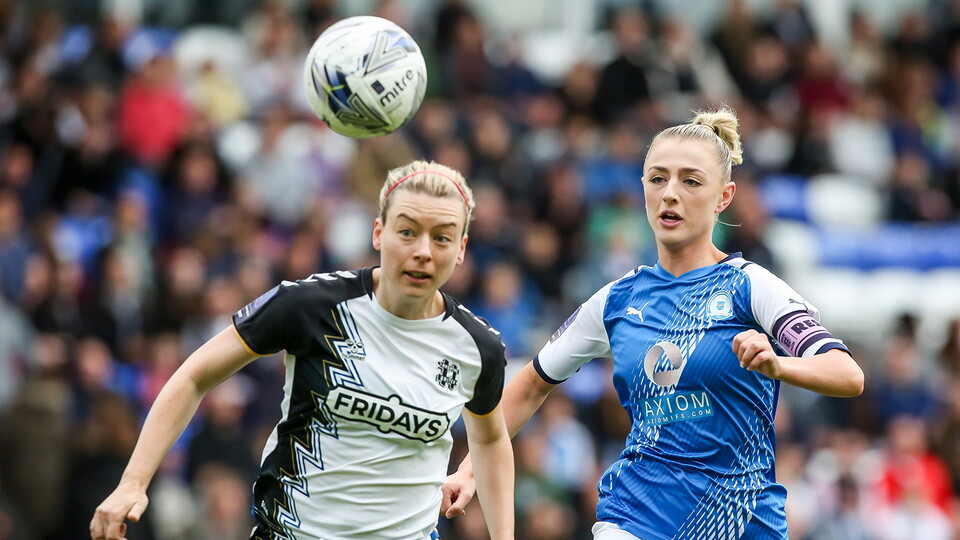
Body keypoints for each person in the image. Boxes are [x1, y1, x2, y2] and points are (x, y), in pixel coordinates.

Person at [441, 108, 864, 539]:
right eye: (657, 178)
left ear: (725, 196)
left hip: (743, 523)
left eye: (691, 181)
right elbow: (531, 383)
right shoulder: (615, 301)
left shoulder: (751, 287)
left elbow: (847, 374)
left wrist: (778, 366)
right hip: (635, 520)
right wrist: (471, 469)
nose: (670, 194)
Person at [90, 160, 515, 540]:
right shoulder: (310, 306)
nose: (423, 251)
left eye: (442, 238)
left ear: (460, 250)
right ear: (379, 232)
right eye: (407, 231)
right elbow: (194, 375)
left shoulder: (477, 348)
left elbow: (492, 439)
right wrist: (133, 481)